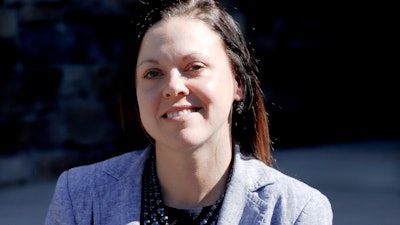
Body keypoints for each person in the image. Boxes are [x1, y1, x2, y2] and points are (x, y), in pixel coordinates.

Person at [45, 0, 333, 224]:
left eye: (194, 67)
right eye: (152, 73)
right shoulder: (80, 198)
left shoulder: (295, 211)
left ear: (238, 84)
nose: (173, 87)